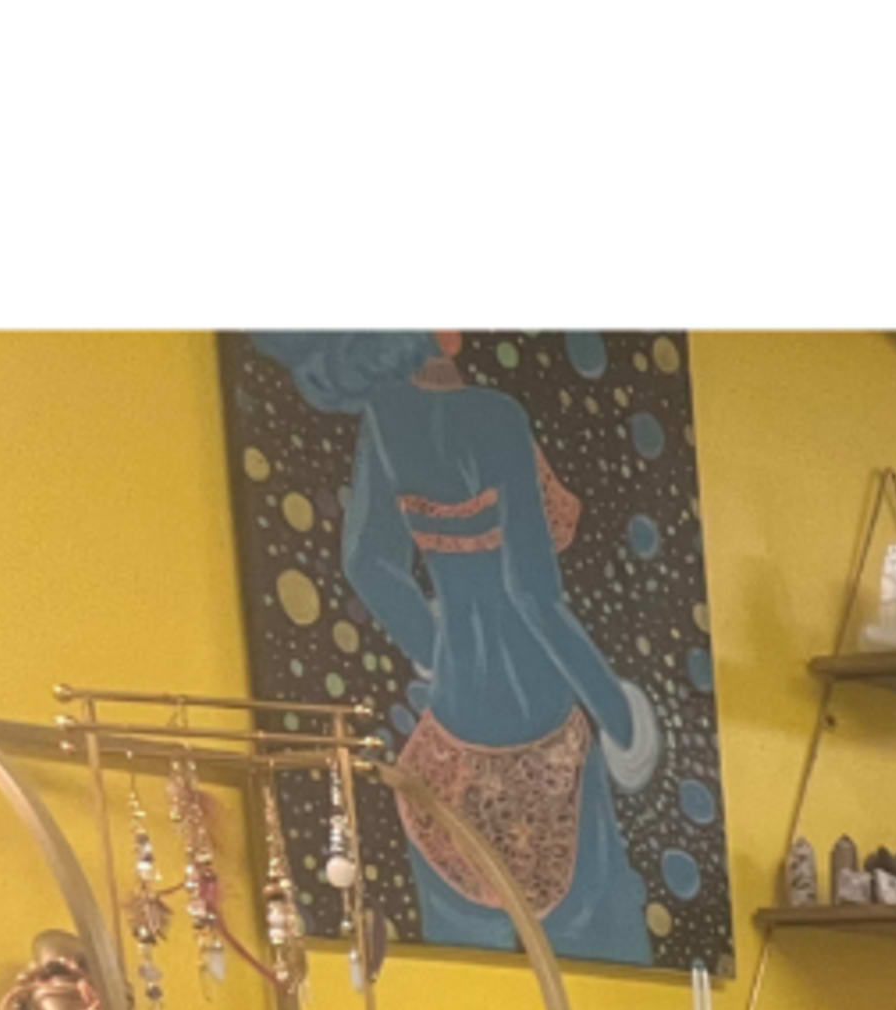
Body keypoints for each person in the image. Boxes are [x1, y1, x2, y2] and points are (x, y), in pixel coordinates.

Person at [250, 333, 654, 965]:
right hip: (542, 718)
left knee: (467, 961)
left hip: (449, 739)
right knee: (606, 948)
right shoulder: (494, 416)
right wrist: (621, 715)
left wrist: (440, 650)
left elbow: (367, 563)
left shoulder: (388, 417)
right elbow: (534, 592)